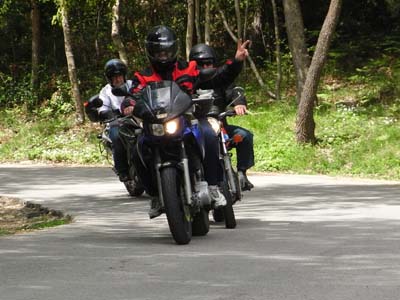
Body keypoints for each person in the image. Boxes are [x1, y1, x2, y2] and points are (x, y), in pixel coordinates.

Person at [122, 25, 250, 218]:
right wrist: (129, 104)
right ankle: (155, 195)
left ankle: (214, 186)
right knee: (138, 147)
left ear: (174, 49)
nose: (163, 56)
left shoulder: (188, 69)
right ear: (151, 52)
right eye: (159, 52)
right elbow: (134, 94)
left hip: (188, 119)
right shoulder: (143, 76)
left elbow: (217, 77)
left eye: (166, 51)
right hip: (157, 124)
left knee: (209, 134)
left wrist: (236, 62)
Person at [189, 43, 254, 191]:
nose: (205, 67)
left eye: (209, 63)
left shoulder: (220, 80)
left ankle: (242, 173)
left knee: (244, 136)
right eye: (201, 64)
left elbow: (234, 90)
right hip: (196, 129)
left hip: (221, 127)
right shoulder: (189, 82)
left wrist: (238, 103)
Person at [98, 58, 133, 182]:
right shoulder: (106, 91)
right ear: (110, 79)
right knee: (117, 136)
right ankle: (122, 170)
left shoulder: (133, 85)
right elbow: (102, 107)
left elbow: (145, 95)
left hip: (136, 120)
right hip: (117, 122)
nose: (118, 79)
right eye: (114, 77)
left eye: (119, 76)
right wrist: (106, 113)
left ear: (124, 75)